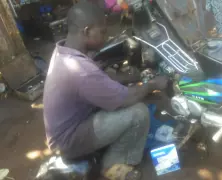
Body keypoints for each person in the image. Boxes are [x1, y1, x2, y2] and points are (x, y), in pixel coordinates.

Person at [43, 1, 168, 180]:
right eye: (102, 31)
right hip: (69, 141)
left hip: (69, 128)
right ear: (86, 31)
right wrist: (153, 85)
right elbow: (126, 97)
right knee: (138, 112)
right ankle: (115, 165)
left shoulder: (64, 51)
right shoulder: (82, 71)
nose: (106, 35)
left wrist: (133, 77)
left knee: (127, 97)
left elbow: (100, 79)